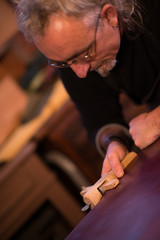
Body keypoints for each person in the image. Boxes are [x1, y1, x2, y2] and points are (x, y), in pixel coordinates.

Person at [12, 0, 160, 178]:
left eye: (85, 54)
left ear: (110, 16)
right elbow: (99, 120)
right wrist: (114, 143)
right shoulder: (71, 57)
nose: (80, 72)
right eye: (63, 63)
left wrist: (155, 122)